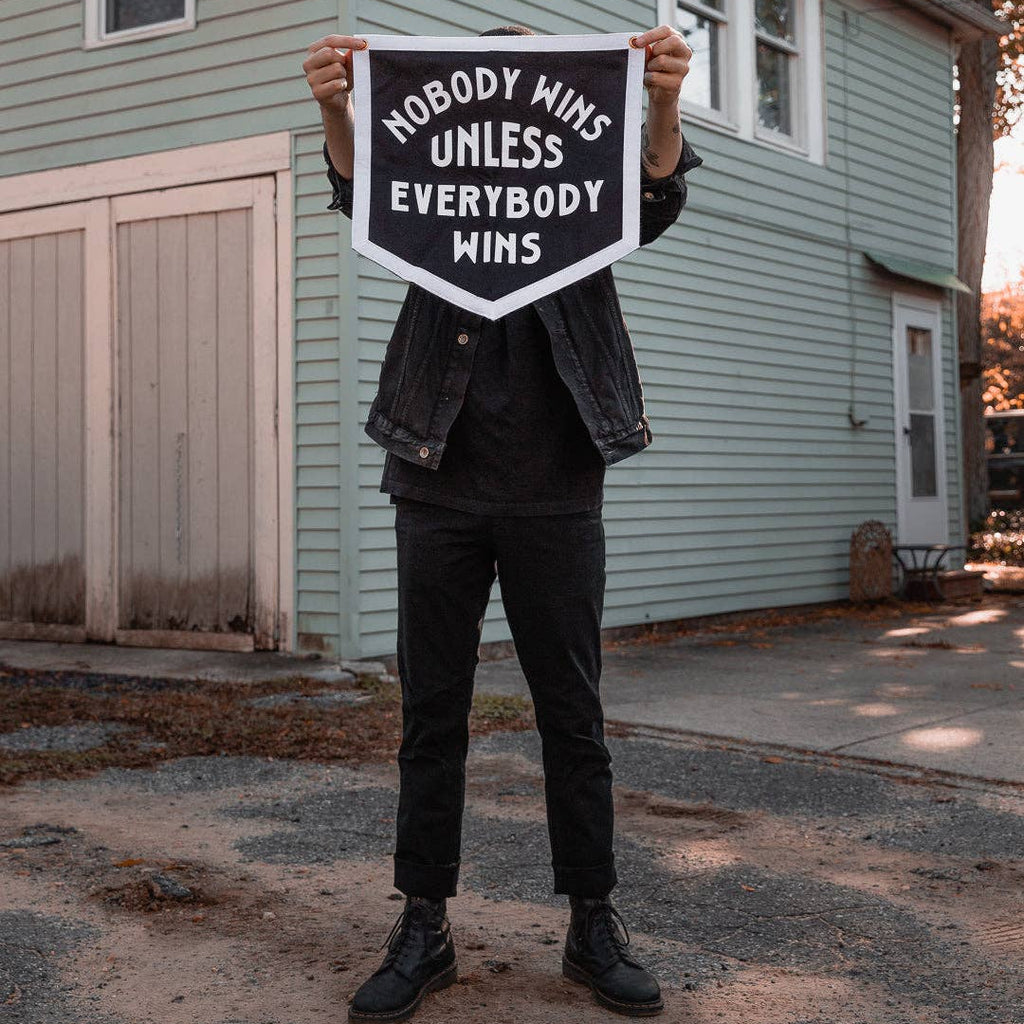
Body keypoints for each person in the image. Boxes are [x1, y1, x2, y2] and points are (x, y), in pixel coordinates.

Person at [303, 21, 702, 1022]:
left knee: (572, 715)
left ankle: (592, 920)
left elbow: (656, 195)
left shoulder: (585, 187)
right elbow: (363, 195)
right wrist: (335, 105)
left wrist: (658, 98)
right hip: (434, 469)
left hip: (557, 477)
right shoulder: (426, 188)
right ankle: (423, 924)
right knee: (430, 713)